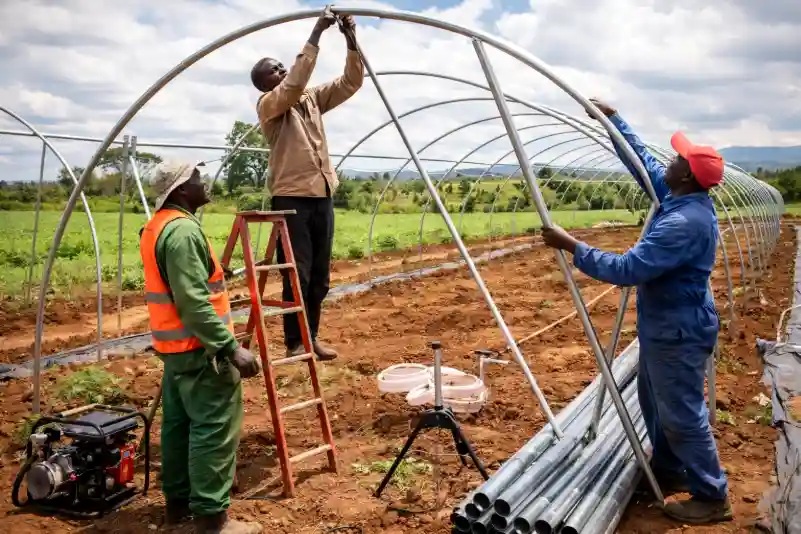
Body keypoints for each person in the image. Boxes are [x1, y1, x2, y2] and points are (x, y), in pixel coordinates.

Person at [540, 99, 732, 525]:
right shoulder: (681, 199)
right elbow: (641, 160)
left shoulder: (682, 224)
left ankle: (711, 495)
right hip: (666, 325)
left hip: (679, 330)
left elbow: (628, 269)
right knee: (655, 402)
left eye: (679, 157)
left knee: (682, 415)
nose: (671, 159)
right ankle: (667, 467)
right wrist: (613, 121)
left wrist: (571, 245)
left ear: (687, 175)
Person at [139, 162, 263, 534]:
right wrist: (229, 348)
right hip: (201, 351)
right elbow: (193, 301)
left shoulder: (157, 227)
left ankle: (178, 508)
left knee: (178, 426)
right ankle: (212, 521)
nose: (203, 182)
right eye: (195, 179)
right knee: (214, 428)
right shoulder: (181, 233)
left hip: (176, 350)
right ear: (180, 191)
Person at [249, 9, 364, 362]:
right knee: (296, 274)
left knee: (319, 277)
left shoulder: (311, 99)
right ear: (265, 83)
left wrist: (349, 38)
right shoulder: (270, 104)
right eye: (275, 70)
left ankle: (311, 337)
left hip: (321, 195)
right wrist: (316, 32)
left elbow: (350, 82)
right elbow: (295, 83)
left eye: (283, 66)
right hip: (291, 199)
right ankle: (294, 342)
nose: (282, 71)